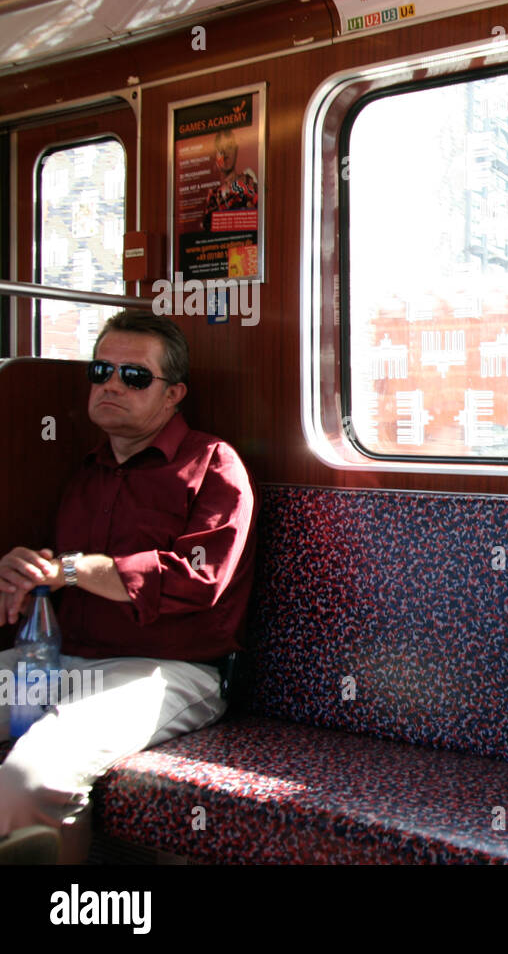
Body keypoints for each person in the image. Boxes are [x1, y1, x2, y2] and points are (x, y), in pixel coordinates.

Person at [0, 311, 256, 862]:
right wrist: (27, 576)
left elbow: (198, 580)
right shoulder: (86, 473)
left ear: (173, 395)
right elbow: (66, 571)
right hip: (60, 659)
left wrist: (72, 569)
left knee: (30, 778)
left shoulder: (213, 465)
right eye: (101, 370)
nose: (112, 383)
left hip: (166, 670)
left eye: (135, 376)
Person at [202, 128, 258, 231]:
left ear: (236, 150)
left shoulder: (249, 181)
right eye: (220, 149)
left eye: (229, 147)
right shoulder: (213, 195)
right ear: (215, 154)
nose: (225, 153)